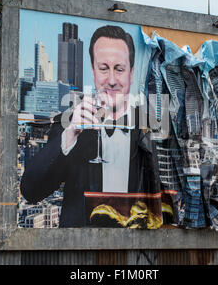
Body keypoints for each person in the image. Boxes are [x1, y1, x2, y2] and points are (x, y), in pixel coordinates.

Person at [20, 25, 160, 227]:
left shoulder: (148, 126)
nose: (111, 80)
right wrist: (69, 138)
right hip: (81, 253)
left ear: (131, 73)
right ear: (93, 71)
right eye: (104, 68)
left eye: (119, 69)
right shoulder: (69, 121)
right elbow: (31, 191)